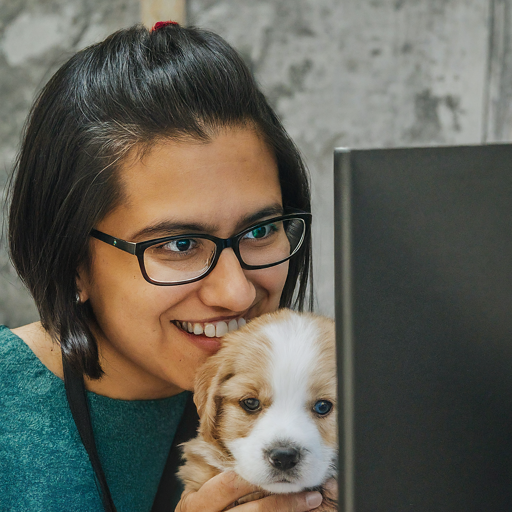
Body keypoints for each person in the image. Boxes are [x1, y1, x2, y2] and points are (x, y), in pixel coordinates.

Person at [1, 21, 332, 512]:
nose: (237, 293)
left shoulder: (346, 401)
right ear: (71, 259)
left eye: (261, 231)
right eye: (179, 244)